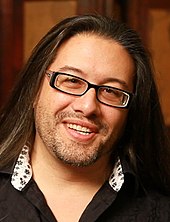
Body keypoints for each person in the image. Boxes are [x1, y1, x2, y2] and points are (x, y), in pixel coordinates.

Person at [0, 14, 170, 222]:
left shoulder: (161, 211)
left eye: (111, 91)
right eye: (72, 80)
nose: (88, 106)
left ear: (131, 111)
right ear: (34, 90)